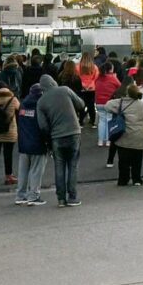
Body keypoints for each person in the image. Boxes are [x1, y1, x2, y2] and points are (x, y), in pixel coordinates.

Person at [36, 74, 85, 207]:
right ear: (53, 82)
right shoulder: (65, 90)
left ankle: (61, 199)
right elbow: (81, 104)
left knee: (59, 166)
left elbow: (43, 126)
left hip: (56, 136)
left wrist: (49, 139)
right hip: (73, 132)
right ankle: (73, 197)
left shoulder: (41, 101)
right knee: (73, 166)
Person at [105, 84, 143, 186]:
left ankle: (123, 179)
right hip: (140, 136)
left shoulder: (120, 103)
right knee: (137, 160)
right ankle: (137, 179)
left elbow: (107, 106)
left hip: (124, 136)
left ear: (127, 92)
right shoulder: (142, 105)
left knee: (123, 160)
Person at [15, 80, 49, 206]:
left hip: (23, 142)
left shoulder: (23, 105)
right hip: (38, 143)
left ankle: (20, 195)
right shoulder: (41, 106)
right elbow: (43, 126)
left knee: (23, 171)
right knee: (36, 170)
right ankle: (33, 196)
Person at [93, 62, 121, 147]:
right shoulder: (113, 78)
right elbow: (120, 87)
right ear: (110, 69)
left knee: (102, 121)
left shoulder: (98, 78)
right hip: (109, 103)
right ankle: (108, 141)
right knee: (109, 120)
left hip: (99, 102)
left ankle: (100, 141)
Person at [78, 52, 100, 127]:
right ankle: (92, 121)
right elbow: (96, 77)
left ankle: (81, 121)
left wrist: (83, 84)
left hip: (82, 88)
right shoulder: (94, 67)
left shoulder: (78, 67)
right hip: (92, 88)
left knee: (81, 105)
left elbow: (77, 77)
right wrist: (90, 84)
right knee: (91, 105)